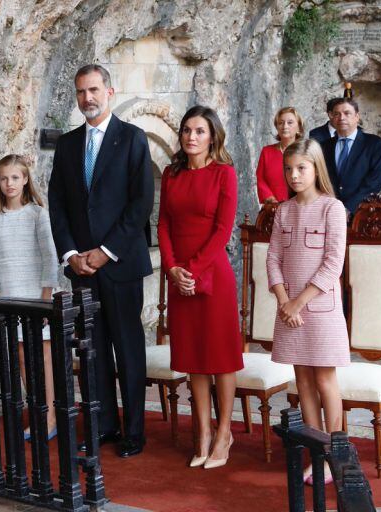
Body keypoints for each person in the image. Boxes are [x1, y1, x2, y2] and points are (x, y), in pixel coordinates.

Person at [48, 64, 154, 458]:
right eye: (80, 92)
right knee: (92, 352)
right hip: (81, 269)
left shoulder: (133, 139)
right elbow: (57, 204)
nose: (87, 98)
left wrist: (105, 251)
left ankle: (135, 433)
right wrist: (72, 253)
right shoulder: (67, 144)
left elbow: (141, 203)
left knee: (127, 350)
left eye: (93, 90)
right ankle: (104, 425)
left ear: (110, 91)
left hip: (120, 264)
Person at [158, 106, 243, 470]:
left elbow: (223, 231)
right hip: (179, 276)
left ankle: (224, 431)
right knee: (194, 359)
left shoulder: (225, 173)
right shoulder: (171, 174)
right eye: (186, 130)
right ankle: (203, 433)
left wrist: (190, 270)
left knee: (221, 358)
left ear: (213, 137)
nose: (191, 137)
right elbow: (161, 224)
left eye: (200, 131)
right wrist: (172, 269)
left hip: (213, 275)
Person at [267, 139, 349, 485]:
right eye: (288, 169)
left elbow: (333, 263)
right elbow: (272, 259)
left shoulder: (332, 208)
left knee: (325, 380)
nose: (294, 175)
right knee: (302, 382)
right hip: (289, 310)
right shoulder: (283, 211)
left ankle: (335, 454)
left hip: (321, 310)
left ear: (316, 168)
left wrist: (298, 302)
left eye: (301, 168)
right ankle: (316, 453)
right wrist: (284, 300)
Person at [0, 154, 59, 440]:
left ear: (25, 179)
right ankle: (38, 411)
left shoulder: (38, 214)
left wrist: (44, 296)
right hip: (10, 295)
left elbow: (49, 256)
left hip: (36, 295)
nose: (9, 183)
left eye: (15, 177)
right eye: (4, 178)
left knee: (43, 356)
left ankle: (52, 415)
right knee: (21, 357)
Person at [321, 98, 381, 215]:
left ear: (357, 116)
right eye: (337, 114)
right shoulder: (324, 146)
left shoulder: (373, 143)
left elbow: (374, 181)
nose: (341, 118)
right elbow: (321, 179)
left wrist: (349, 208)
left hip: (362, 212)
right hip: (330, 212)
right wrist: (334, 207)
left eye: (347, 113)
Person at [256, 107, 304, 203]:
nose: (284, 126)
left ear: (299, 127)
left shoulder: (305, 152)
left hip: (299, 206)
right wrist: (271, 200)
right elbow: (260, 179)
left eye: (290, 122)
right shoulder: (267, 151)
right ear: (277, 127)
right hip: (272, 208)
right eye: (280, 123)